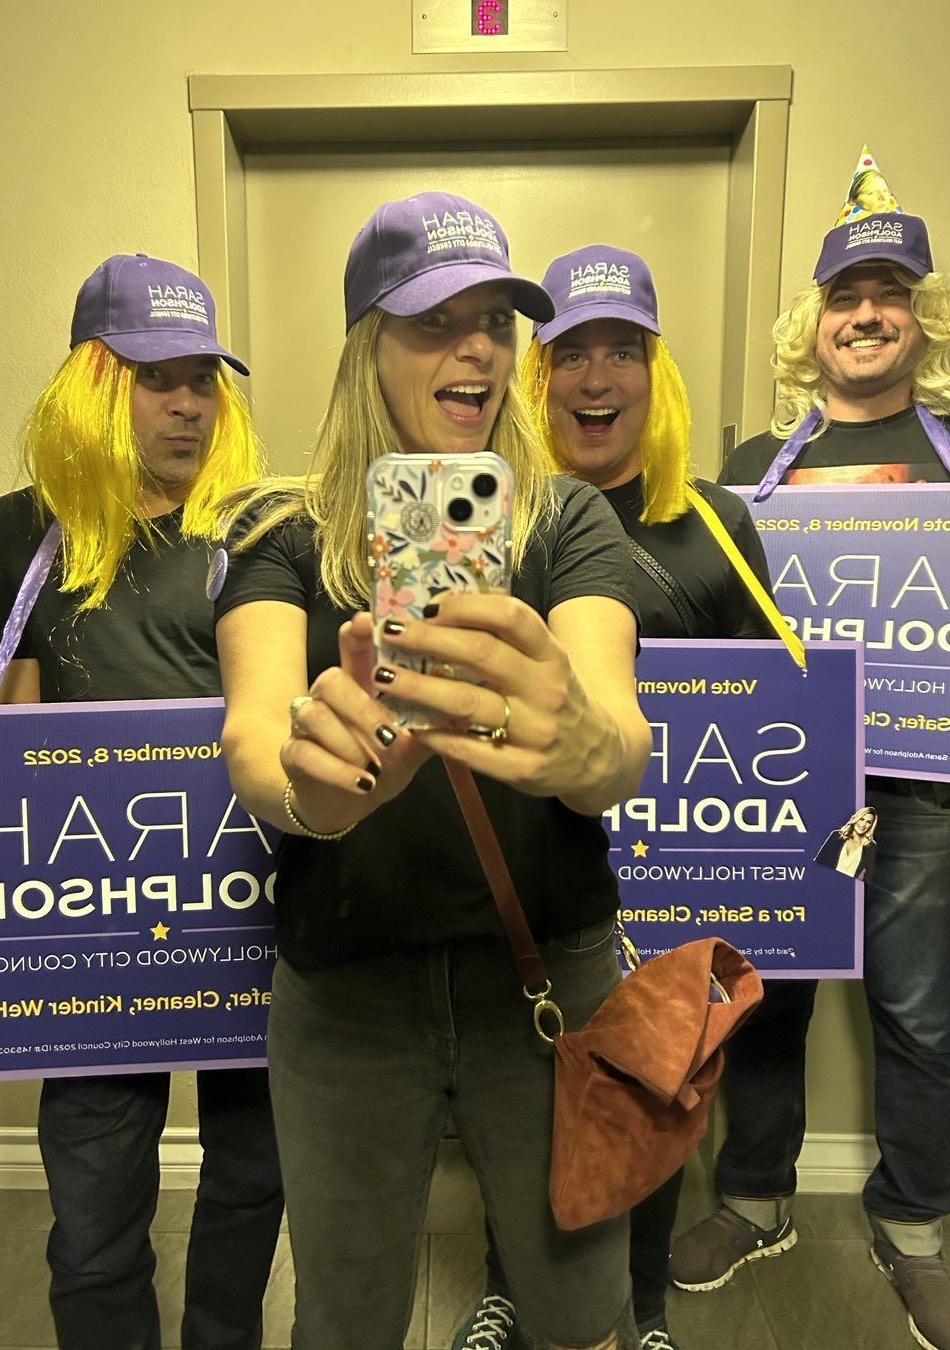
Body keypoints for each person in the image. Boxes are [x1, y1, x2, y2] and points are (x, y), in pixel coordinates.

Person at [214, 192, 653, 1350]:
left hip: (543, 980)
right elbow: (254, 740)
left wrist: (588, 751)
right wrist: (316, 789)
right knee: (345, 1318)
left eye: (497, 323)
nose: (479, 351)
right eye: (435, 321)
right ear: (369, 345)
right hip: (345, 997)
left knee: (579, 1310)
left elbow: (618, 726)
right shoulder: (278, 535)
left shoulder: (565, 523)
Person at [670, 175, 950, 1350]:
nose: (866, 315)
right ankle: (755, 1201)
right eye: (845, 296)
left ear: (922, 318)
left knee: (921, 1019)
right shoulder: (755, 467)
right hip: (784, 785)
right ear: (815, 323)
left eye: (888, 294)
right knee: (762, 1001)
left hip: (927, 788)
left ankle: (912, 1228)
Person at [451, 244, 778, 1350]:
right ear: (536, 377)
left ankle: (641, 1310)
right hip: (540, 888)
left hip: (681, 879)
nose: (596, 378)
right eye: (569, 354)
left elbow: (768, 712)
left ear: (655, 372)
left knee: (654, 1094)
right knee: (530, 1098)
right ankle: (510, 1285)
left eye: (622, 352)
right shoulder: (491, 520)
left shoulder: (719, 523)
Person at [0, 253, 283, 1350]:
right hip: (91, 930)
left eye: (203, 378)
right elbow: (10, 751)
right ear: (95, 386)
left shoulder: (261, 530)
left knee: (255, 1180)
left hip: (250, 914)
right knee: (94, 1220)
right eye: (157, 377)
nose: (188, 402)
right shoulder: (14, 535)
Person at [815, 806, 878, 880]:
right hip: (826, 880)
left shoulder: (870, 846)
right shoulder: (836, 836)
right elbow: (818, 861)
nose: (863, 824)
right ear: (856, 819)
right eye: (862, 819)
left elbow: (869, 875)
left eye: (868, 822)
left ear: (871, 826)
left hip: (848, 886)